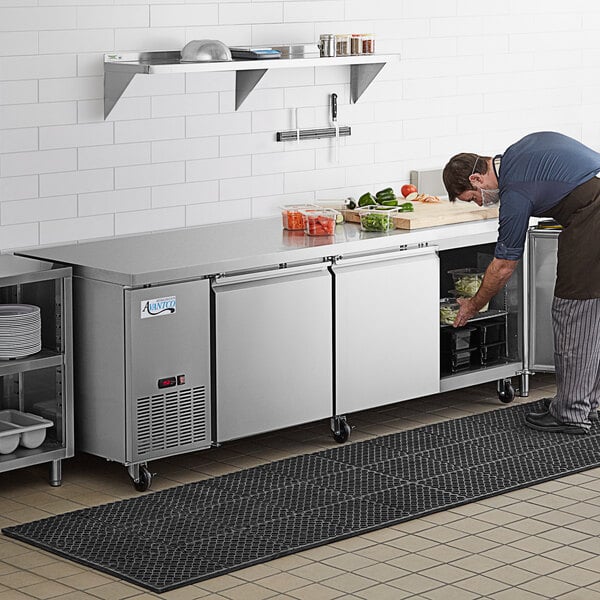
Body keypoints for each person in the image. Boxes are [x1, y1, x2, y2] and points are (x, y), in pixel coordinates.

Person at [442, 131, 600, 434]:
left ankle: (570, 414)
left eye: (473, 198)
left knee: (573, 313)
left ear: (476, 179)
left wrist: (473, 305)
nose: (478, 204)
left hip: (593, 215)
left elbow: (502, 266)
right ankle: (584, 403)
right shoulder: (518, 152)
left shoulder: (515, 191)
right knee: (593, 316)